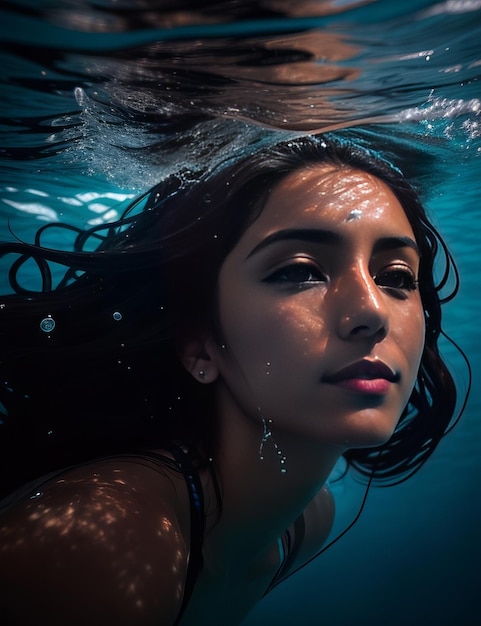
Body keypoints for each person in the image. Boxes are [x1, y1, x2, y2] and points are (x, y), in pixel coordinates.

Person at [0, 134, 465, 625]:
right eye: (299, 271)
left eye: (395, 276)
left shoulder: (302, 526)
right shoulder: (98, 546)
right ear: (198, 344)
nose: (371, 312)